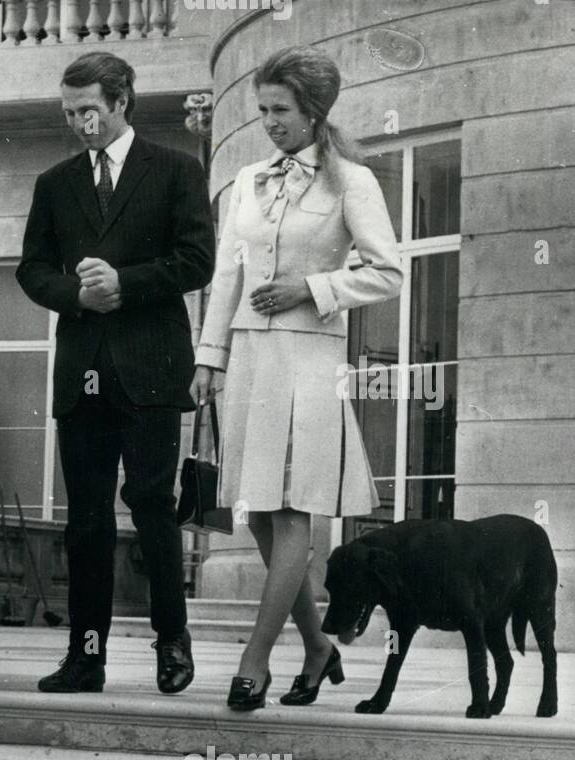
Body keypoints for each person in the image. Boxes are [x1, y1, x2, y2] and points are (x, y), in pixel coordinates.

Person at [191, 45, 403, 711]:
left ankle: (254, 660)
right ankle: (317, 646)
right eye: (262, 110)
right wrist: (209, 357)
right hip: (250, 365)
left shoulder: (352, 182)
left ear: (313, 111)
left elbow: (388, 271)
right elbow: (227, 274)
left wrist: (310, 287)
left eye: (280, 110)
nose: (270, 122)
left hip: (310, 363)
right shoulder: (249, 181)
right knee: (256, 506)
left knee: (292, 512)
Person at [17, 52, 216, 695]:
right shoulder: (54, 183)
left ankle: (171, 644)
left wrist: (123, 285)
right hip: (83, 373)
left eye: (90, 112)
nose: (81, 125)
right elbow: (32, 269)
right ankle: (86, 655)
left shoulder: (178, 171)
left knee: (155, 508)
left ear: (123, 101)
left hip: (152, 369)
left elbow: (196, 261)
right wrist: (77, 297)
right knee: (88, 521)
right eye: (70, 113)